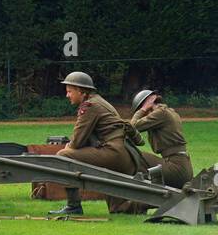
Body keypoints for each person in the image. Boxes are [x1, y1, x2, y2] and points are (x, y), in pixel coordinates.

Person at [49, 71, 137, 216]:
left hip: (112, 153)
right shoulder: (98, 101)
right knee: (118, 209)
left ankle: (73, 206)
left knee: (63, 156)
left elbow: (77, 142)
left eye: (69, 91)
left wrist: (67, 147)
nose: (67, 95)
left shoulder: (89, 106)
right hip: (121, 153)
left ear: (80, 91)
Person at [129, 89, 194, 188]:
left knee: (136, 156)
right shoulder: (169, 112)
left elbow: (132, 127)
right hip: (181, 164)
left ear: (148, 106)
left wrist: (142, 110)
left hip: (177, 167)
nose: (143, 115)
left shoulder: (161, 114)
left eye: (143, 110)